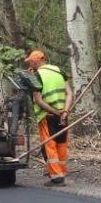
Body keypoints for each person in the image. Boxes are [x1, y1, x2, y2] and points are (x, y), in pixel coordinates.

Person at [25, 50, 73, 186]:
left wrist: (56, 113)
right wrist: (65, 111)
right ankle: (61, 172)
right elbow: (69, 93)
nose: (30, 64)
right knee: (61, 144)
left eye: (30, 62)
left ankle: (56, 178)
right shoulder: (58, 70)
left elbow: (39, 101)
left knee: (50, 146)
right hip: (63, 115)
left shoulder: (37, 76)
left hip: (47, 116)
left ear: (35, 61)